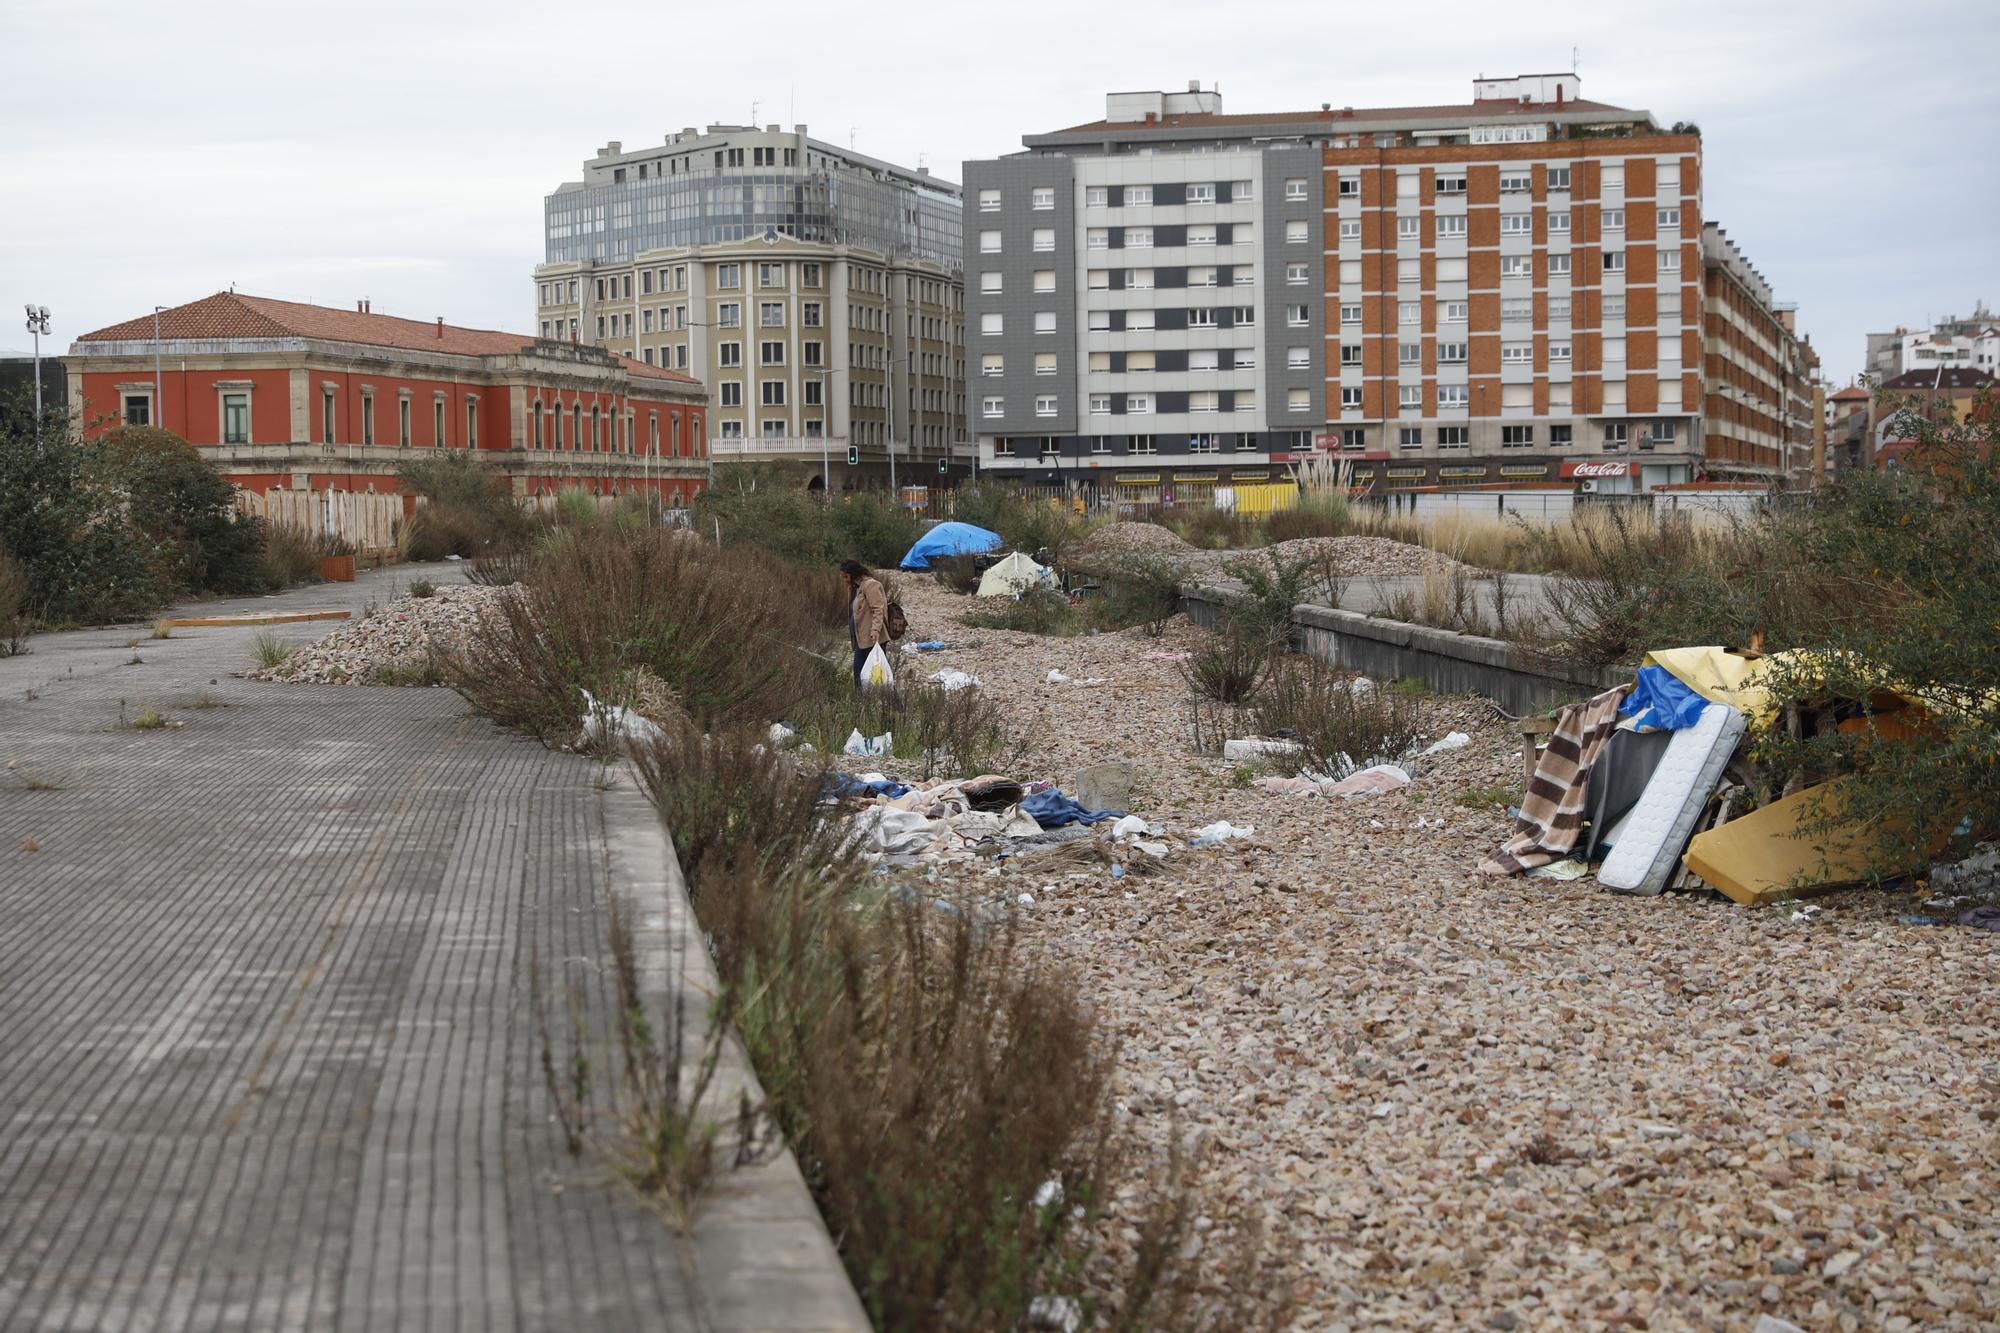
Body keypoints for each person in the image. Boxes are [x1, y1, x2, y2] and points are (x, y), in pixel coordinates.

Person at [840, 559, 887, 686]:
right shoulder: (856, 588)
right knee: (859, 675)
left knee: (879, 678)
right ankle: (860, 704)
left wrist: (875, 630)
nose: (844, 580)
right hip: (861, 640)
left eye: (846, 576)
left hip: (871, 638)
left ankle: (893, 703)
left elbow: (878, 609)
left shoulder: (870, 585)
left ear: (853, 574)